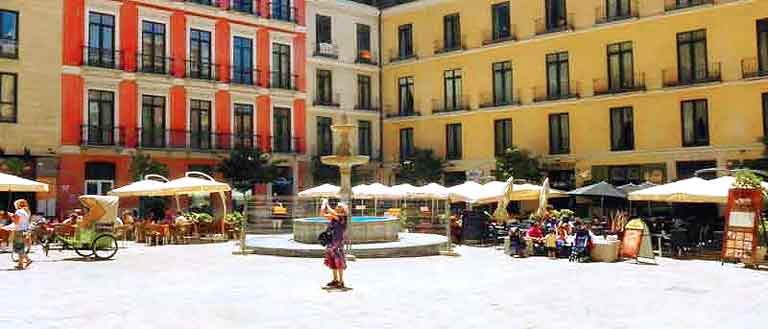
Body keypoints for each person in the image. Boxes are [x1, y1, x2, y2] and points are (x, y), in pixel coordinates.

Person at [320, 200, 348, 289]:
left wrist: (326, 204)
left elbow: (331, 212)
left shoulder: (342, 217)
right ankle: (335, 280)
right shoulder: (334, 217)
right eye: (337, 206)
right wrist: (323, 204)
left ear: (343, 210)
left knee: (339, 261)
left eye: (339, 207)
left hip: (338, 243)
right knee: (332, 261)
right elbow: (322, 214)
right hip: (331, 241)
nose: (337, 207)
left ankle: (341, 281)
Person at [10, 199, 32, 269]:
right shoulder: (27, 211)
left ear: (18, 205)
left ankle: (24, 262)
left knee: (19, 247)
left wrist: (12, 216)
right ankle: (23, 262)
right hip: (26, 230)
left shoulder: (18, 211)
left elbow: (16, 222)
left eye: (15, 205)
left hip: (19, 230)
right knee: (21, 247)